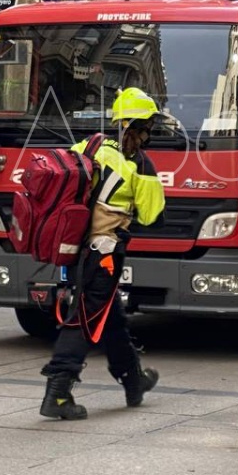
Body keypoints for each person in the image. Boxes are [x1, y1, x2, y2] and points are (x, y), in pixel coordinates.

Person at [39, 87, 167, 420]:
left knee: (111, 317)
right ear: (138, 127)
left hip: (77, 246)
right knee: (85, 317)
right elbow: (152, 217)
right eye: (147, 126)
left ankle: (133, 379)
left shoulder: (89, 146)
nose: (149, 133)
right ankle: (58, 391)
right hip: (105, 253)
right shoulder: (140, 164)